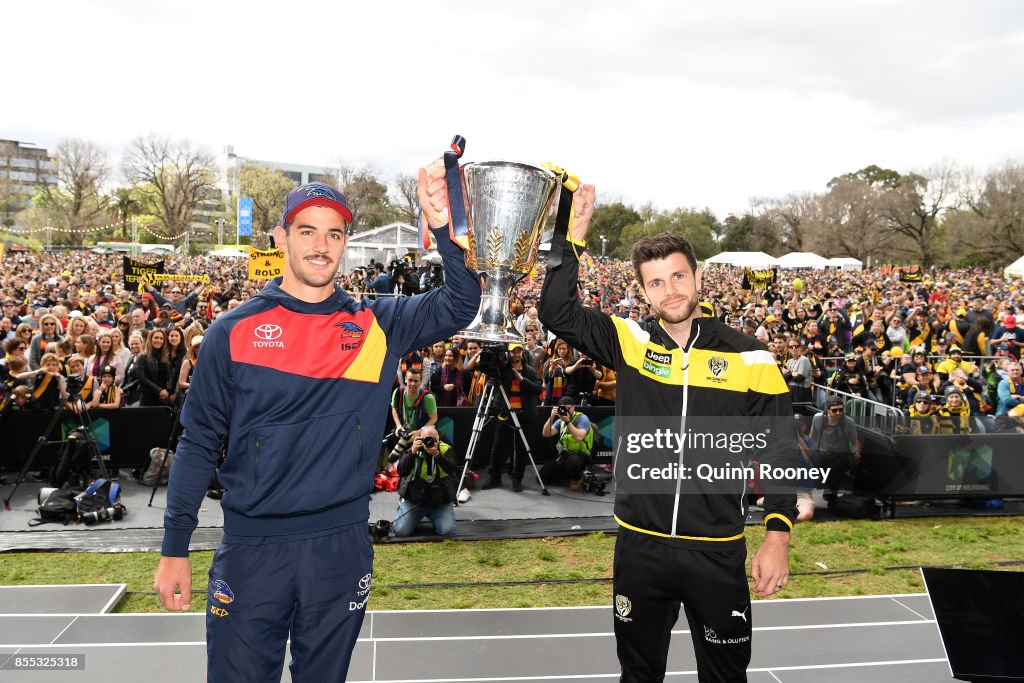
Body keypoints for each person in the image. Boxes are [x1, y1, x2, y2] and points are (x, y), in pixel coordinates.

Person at [154, 172, 480, 683]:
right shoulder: (231, 332)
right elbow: (197, 445)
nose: (321, 246)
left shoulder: (378, 323)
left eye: (334, 234)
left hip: (340, 546)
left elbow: (462, 304)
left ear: (346, 243)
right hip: (252, 550)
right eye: (307, 231)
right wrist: (175, 549)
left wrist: (444, 228)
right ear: (281, 238)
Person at [538, 184, 796, 683]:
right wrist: (570, 239)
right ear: (642, 290)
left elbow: (780, 446)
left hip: (717, 548)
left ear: (698, 276)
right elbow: (555, 311)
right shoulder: (629, 341)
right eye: (656, 282)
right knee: (638, 676)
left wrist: (778, 533)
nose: (670, 290)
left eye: (678, 276)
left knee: (725, 678)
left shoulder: (751, 356)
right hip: (640, 548)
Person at [481, 341, 542, 492]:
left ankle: (517, 480)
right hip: (505, 414)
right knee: (498, 448)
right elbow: (485, 370)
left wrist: (522, 380)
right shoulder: (502, 369)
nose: (516, 354)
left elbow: (538, 389)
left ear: (522, 353)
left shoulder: (529, 370)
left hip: (525, 415)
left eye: (518, 351)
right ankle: (494, 477)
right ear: (508, 353)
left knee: (521, 450)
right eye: (513, 352)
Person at [392, 425, 458, 537]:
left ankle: (436, 518)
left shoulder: (445, 449)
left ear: (438, 439)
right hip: (415, 501)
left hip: (440, 502)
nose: (429, 442)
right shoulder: (414, 448)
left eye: (433, 439)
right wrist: (412, 453)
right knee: (400, 531)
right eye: (426, 439)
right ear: (420, 439)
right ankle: (406, 511)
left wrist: (437, 454)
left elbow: (452, 469)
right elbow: (401, 472)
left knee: (448, 532)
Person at [809, 396, 862, 500]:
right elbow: (812, 436)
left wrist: (856, 452)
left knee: (837, 469)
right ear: (827, 410)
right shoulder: (818, 418)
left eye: (841, 410)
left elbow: (854, 440)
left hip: (840, 454)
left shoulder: (848, 422)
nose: (838, 413)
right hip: (822, 453)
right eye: (834, 410)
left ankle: (832, 495)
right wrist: (808, 451)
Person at [539, 395, 593, 489]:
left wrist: (568, 421)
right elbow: (546, 433)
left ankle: (578, 477)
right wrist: (551, 417)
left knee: (572, 462)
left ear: (574, 407)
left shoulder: (582, 418)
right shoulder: (560, 421)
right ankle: (571, 473)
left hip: (582, 455)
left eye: (569, 408)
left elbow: (579, 437)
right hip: (565, 454)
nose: (567, 411)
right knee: (542, 476)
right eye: (564, 409)